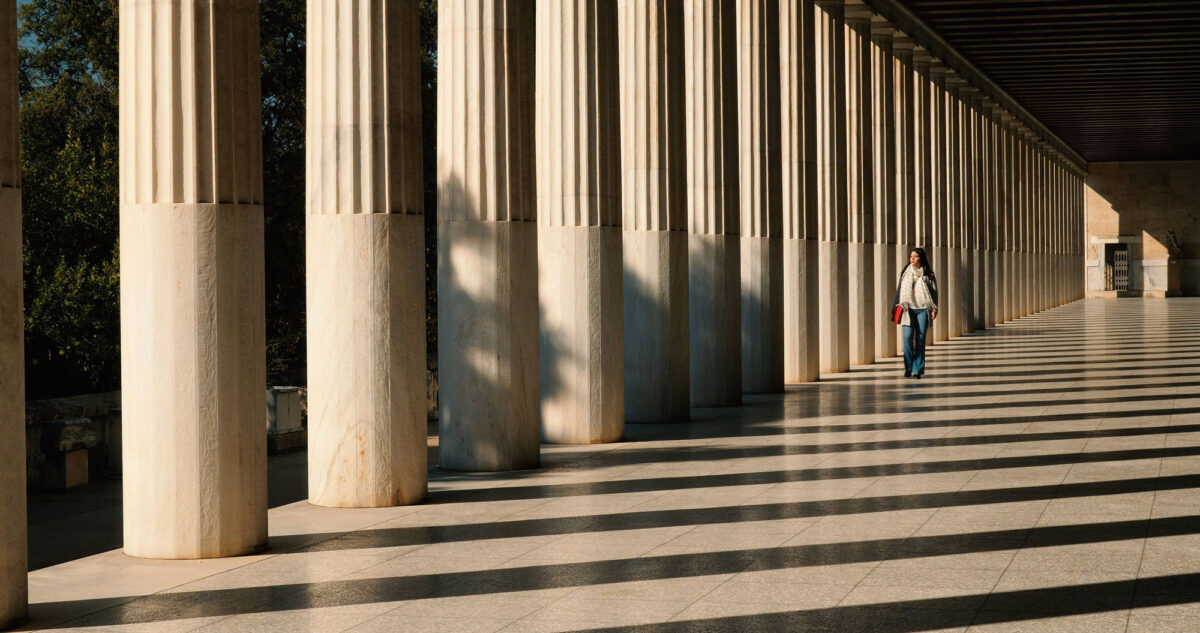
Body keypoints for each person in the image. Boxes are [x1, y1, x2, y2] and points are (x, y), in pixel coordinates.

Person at [892, 248, 938, 379]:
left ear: (921, 258)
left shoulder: (928, 274)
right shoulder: (906, 273)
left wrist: (934, 309)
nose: (912, 259)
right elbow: (899, 291)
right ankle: (909, 367)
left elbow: (934, 292)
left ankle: (917, 370)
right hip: (908, 309)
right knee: (907, 340)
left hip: (923, 309)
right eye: (911, 256)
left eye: (915, 256)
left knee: (920, 340)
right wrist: (895, 307)